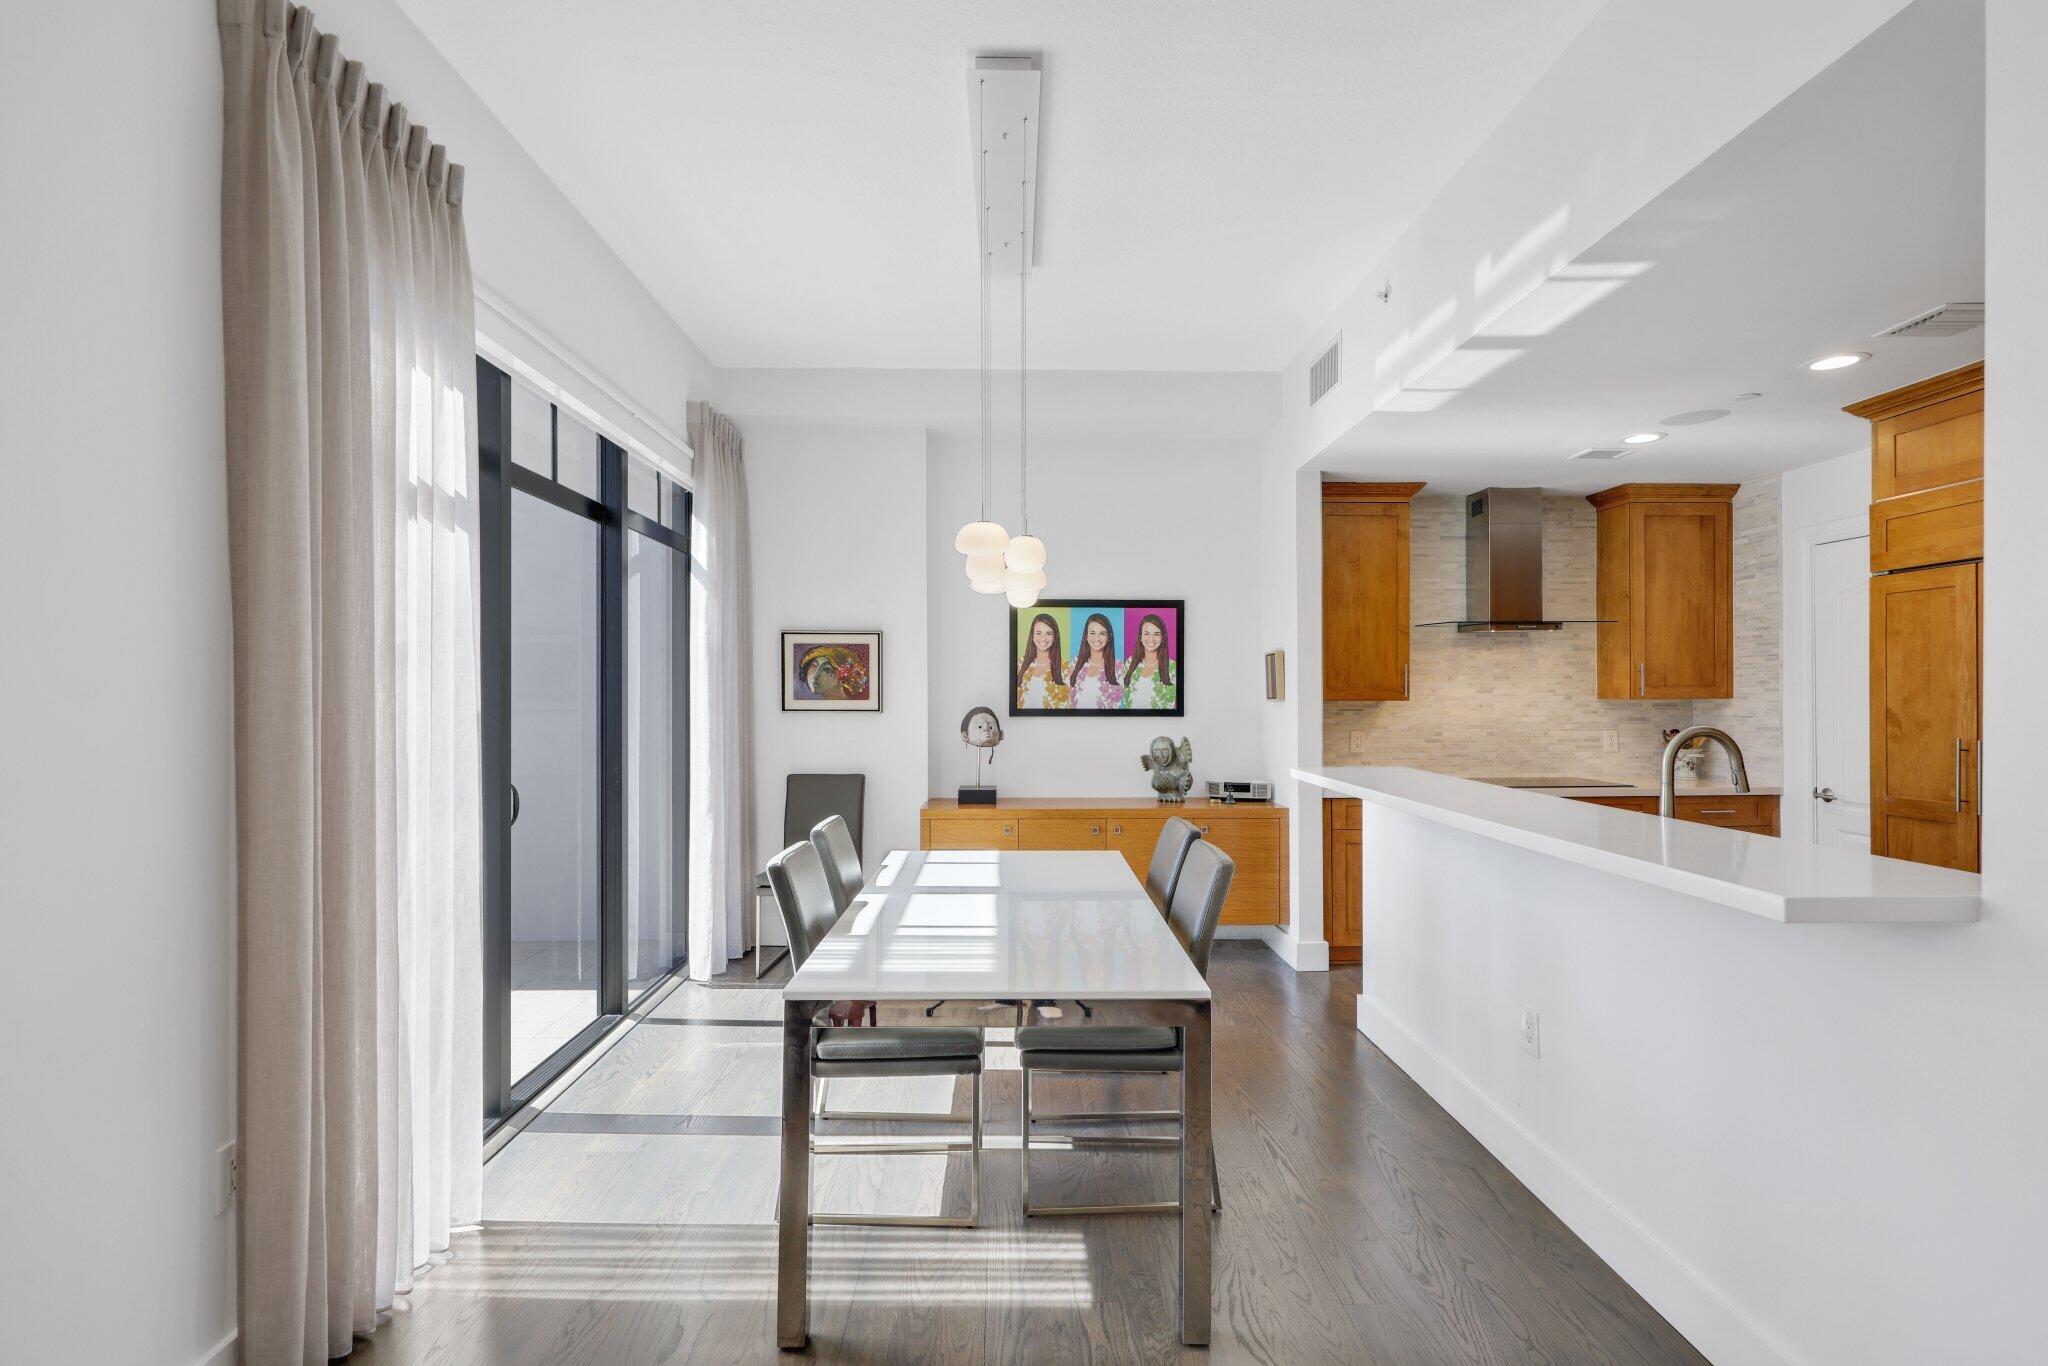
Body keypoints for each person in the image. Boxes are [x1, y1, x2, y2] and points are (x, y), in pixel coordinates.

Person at [1119, 613, 1178, 710]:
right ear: (1140, 637)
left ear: (1163, 637)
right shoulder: (1130, 663)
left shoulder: (1173, 667)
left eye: (1156, 634)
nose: (1151, 639)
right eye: (1146, 633)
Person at [1067, 612, 1123, 709]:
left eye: (1102, 633)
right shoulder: (1074, 664)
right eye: (1092, 633)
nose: (1097, 638)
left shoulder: (1119, 668)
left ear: (1109, 637)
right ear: (1086, 636)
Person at [1015, 612, 1069, 710]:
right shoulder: (1019, 665)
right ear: (1032, 636)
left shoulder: (1066, 669)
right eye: (1039, 633)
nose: (1043, 638)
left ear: (1055, 637)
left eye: (1048, 633)